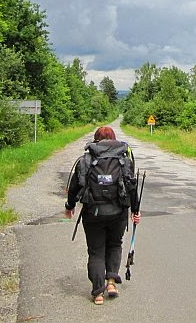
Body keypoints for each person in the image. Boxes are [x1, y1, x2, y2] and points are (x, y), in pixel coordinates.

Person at [64, 126, 141, 305]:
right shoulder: (124, 159)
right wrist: (135, 211)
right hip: (118, 212)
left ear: (96, 139)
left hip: (93, 213)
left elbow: (75, 186)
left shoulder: (85, 159)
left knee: (96, 251)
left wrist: (70, 206)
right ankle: (111, 283)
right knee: (115, 244)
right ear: (114, 139)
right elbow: (131, 187)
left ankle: (98, 293)